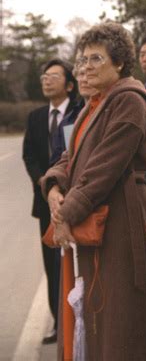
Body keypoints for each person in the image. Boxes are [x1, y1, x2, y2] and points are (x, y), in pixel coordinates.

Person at [41, 22, 146, 360]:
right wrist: (55, 185)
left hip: (123, 228)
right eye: (82, 59)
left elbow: (101, 170)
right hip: (100, 223)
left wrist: (64, 214)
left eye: (95, 59)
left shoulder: (128, 101)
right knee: (102, 319)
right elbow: (70, 157)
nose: (85, 67)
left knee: (126, 322)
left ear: (119, 63)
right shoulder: (95, 104)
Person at [22, 58, 77, 344]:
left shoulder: (80, 112)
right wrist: (45, 184)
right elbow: (28, 154)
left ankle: (78, 322)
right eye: (44, 76)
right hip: (45, 202)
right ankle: (60, 324)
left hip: (76, 201)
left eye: (53, 76)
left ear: (69, 84)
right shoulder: (35, 116)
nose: (46, 80)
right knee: (51, 263)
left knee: (74, 263)